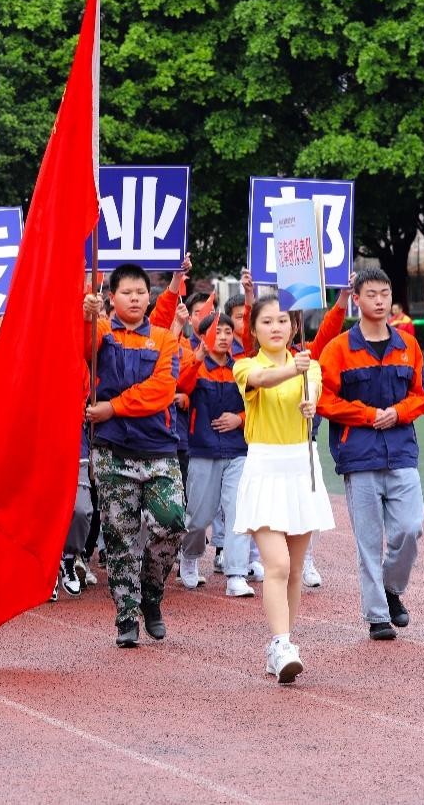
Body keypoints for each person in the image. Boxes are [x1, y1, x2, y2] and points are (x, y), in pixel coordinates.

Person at [317, 268, 424, 641]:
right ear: (357, 299)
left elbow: (423, 395)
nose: (380, 300)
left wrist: (398, 413)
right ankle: (377, 616)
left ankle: (392, 588)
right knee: (368, 540)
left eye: (385, 293)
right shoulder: (339, 349)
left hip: (401, 453)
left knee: (410, 528)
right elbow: (324, 400)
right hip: (359, 455)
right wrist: (368, 416)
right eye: (372, 294)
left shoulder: (407, 346)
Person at [82, 264, 188, 648]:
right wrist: (85, 315)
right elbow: (81, 349)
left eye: (140, 292)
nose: (134, 298)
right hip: (111, 451)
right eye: (126, 292)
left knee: (173, 521)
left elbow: (162, 389)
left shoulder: (163, 338)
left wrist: (114, 407)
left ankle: (151, 593)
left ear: (149, 296)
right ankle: (126, 617)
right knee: (119, 538)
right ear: (112, 297)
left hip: (158, 448)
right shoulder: (103, 331)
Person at [232, 296, 335, 683]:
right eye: (266, 321)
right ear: (255, 328)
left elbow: (314, 398)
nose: (276, 327)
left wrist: (310, 404)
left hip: (301, 468)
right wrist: (295, 369)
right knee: (275, 564)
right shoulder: (246, 367)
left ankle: (284, 642)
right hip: (264, 469)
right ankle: (280, 643)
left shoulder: (312, 367)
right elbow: (263, 381)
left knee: (293, 570)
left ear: (294, 327)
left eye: (283, 321)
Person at [176, 312, 256, 597]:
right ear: (204, 337)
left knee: (238, 513)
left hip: (238, 450)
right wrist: (196, 358)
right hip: (203, 449)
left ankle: (236, 574)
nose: (223, 337)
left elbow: (259, 403)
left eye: (227, 331)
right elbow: (180, 386)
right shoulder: (196, 366)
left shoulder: (242, 368)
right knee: (199, 516)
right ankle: (190, 555)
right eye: (216, 332)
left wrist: (241, 419)